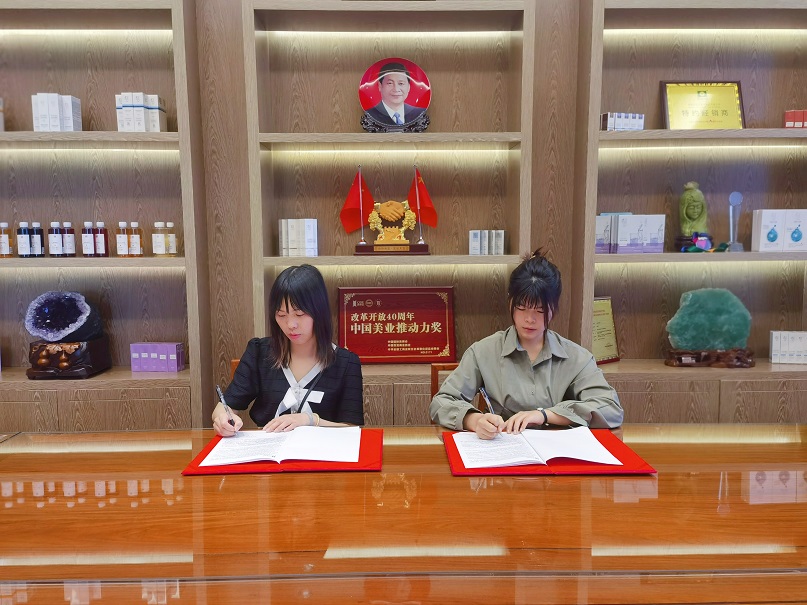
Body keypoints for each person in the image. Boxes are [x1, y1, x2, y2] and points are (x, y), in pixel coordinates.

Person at [429, 249, 623, 439]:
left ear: (554, 309)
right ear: (510, 302)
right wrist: (474, 420)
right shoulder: (483, 352)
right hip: (502, 446)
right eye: (521, 308)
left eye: (540, 310)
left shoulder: (577, 358)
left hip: (557, 450)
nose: (529, 319)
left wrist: (545, 415)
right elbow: (441, 402)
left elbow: (611, 409)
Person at [212, 264, 364, 436]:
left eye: (299, 314)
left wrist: (311, 420)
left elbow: (352, 429)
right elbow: (225, 406)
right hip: (269, 449)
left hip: (322, 451)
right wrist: (222, 418)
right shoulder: (259, 352)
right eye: (281, 315)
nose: (291, 324)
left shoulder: (346, 363)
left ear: (319, 312)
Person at [365, 62, 427, 126]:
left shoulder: (419, 114)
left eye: (401, 83)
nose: (396, 89)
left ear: (409, 87)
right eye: (390, 83)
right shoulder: (370, 115)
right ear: (380, 86)